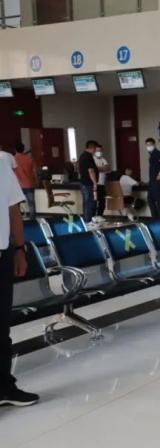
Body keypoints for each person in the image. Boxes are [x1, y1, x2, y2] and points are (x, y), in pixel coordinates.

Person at [0, 158, 39, 406]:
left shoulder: (1, 166)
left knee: (2, 328)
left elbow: (13, 210)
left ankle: (4, 387)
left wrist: (19, 249)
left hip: (2, 254)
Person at [13, 143, 38, 219]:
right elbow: (35, 171)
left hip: (17, 185)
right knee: (31, 202)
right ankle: (32, 218)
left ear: (15, 150)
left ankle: (18, 218)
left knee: (16, 203)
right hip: (29, 184)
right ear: (23, 149)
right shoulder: (29, 158)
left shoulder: (13, 159)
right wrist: (37, 181)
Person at [77, 141, 99, 223]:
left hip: (84, 183)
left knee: (87, 203)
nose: (95, 151)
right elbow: (91, 171)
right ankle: (88, 221)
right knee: (88, 203)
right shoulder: (87, 156)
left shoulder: (83, 156)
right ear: (92, 148)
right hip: (88, 183)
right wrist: (95, 183)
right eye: (95, 149)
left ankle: (87, 220)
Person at [145, 138, 160, 219]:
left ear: (154, 144)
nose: (148, 146)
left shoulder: (157, 153)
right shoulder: (151, 154)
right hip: (152, 180)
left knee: (158, 199)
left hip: (157, 180)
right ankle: (155, 217)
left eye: (150, 144)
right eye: (147, 145)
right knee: (150, 199)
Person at [93, 144, 111, 221]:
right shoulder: (92, 159)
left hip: (102, 183)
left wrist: (100, 168)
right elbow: (94, 169)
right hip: (95, 184)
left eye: (100, 150)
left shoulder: (103, 159)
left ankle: (100, 215)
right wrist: (102, 168)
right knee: (94, 201)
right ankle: (93, 216)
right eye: (97, 150)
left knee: (102, 201)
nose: (99, 152)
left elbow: (108, 168)